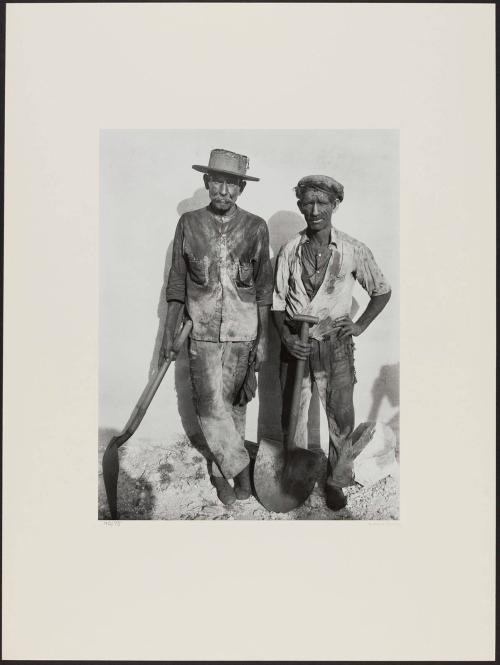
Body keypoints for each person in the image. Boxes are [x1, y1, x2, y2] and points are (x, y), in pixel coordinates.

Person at [160, 149, 273, 505]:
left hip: (244, 332)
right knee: (209, 407)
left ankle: (222, 472)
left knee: (235, 405)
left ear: (241, 188)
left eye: (232, 184)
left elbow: (264, 288)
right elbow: (177, 282)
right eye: (217, 182)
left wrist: (264, 340)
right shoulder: (189, 224)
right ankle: (239, 470)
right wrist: (168, 334)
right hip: (203, 332)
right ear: (207, 182)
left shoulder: (256, 227)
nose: (224, 191)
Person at [272, 175, 392, 510]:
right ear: (300, 206)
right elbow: (278, 303)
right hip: (296, 346)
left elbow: (382, 290)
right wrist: (286, 337)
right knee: (292, 414)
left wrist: (359, 325)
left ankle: (336, 479)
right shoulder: (290, 251)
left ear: (334, 206)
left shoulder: (353, 250)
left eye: (321, 203)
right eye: (307, 202)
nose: (314, 210)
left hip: (334, 348)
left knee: (341, 416)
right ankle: (293, 478)